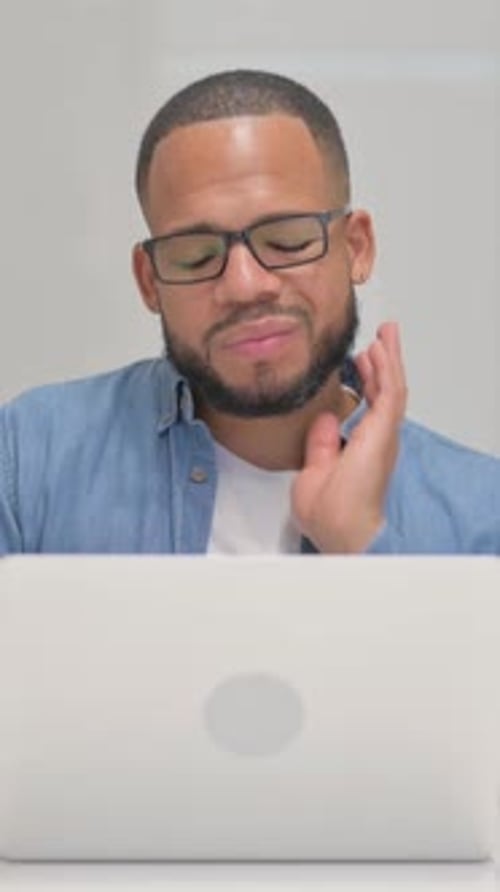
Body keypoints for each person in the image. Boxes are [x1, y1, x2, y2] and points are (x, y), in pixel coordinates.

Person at [0, 69, 499, 555]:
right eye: (196, 255)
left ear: (357, 248)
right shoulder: (28, 461)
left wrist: (364, 548)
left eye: (287, 241)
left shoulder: (481, 518)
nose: (244, 286)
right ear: (149, 281)